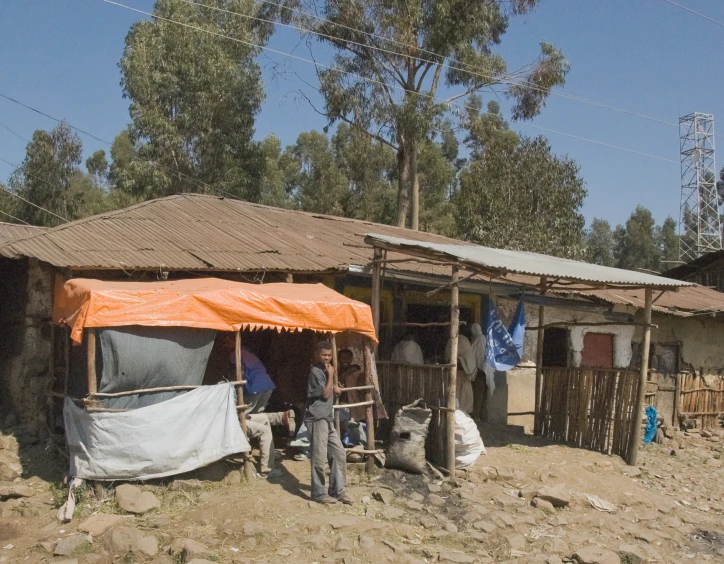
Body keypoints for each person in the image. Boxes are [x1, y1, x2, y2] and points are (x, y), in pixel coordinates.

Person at [305, 341, 351, 505]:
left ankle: (337, 491)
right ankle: (318, 493)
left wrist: (335, 387)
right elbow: (324, 394)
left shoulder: (325, 370)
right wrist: (331, 376)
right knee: (319, 457)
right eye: (324, 355)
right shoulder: (316, 371)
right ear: (316, 355)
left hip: (327, 418)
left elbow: (330, 389)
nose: (327, 358)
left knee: (338, 453)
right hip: (317, 418)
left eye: (329, 355)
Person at [445, 329, 477, 414]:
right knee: (457, 396)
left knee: (463, 396)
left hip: (462, 373)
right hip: (456, 373)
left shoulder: (462, 340)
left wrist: (460, 360)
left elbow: (467, 356)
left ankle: (463, 416)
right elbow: (448, 356)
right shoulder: (452, 340)